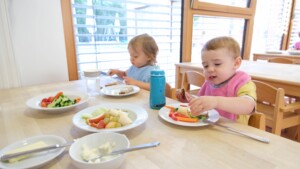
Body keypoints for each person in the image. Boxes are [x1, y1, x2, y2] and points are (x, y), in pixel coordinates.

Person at [176, 36, 256, 123]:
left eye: (217, 64)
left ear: (236, 63)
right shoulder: (209, 83)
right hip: (209, 129)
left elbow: (249, 106)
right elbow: (205, 105)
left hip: (233, 133)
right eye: (205, 66)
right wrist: (190, 101)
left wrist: (216, 101)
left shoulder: (243, 83)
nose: (210, 69)